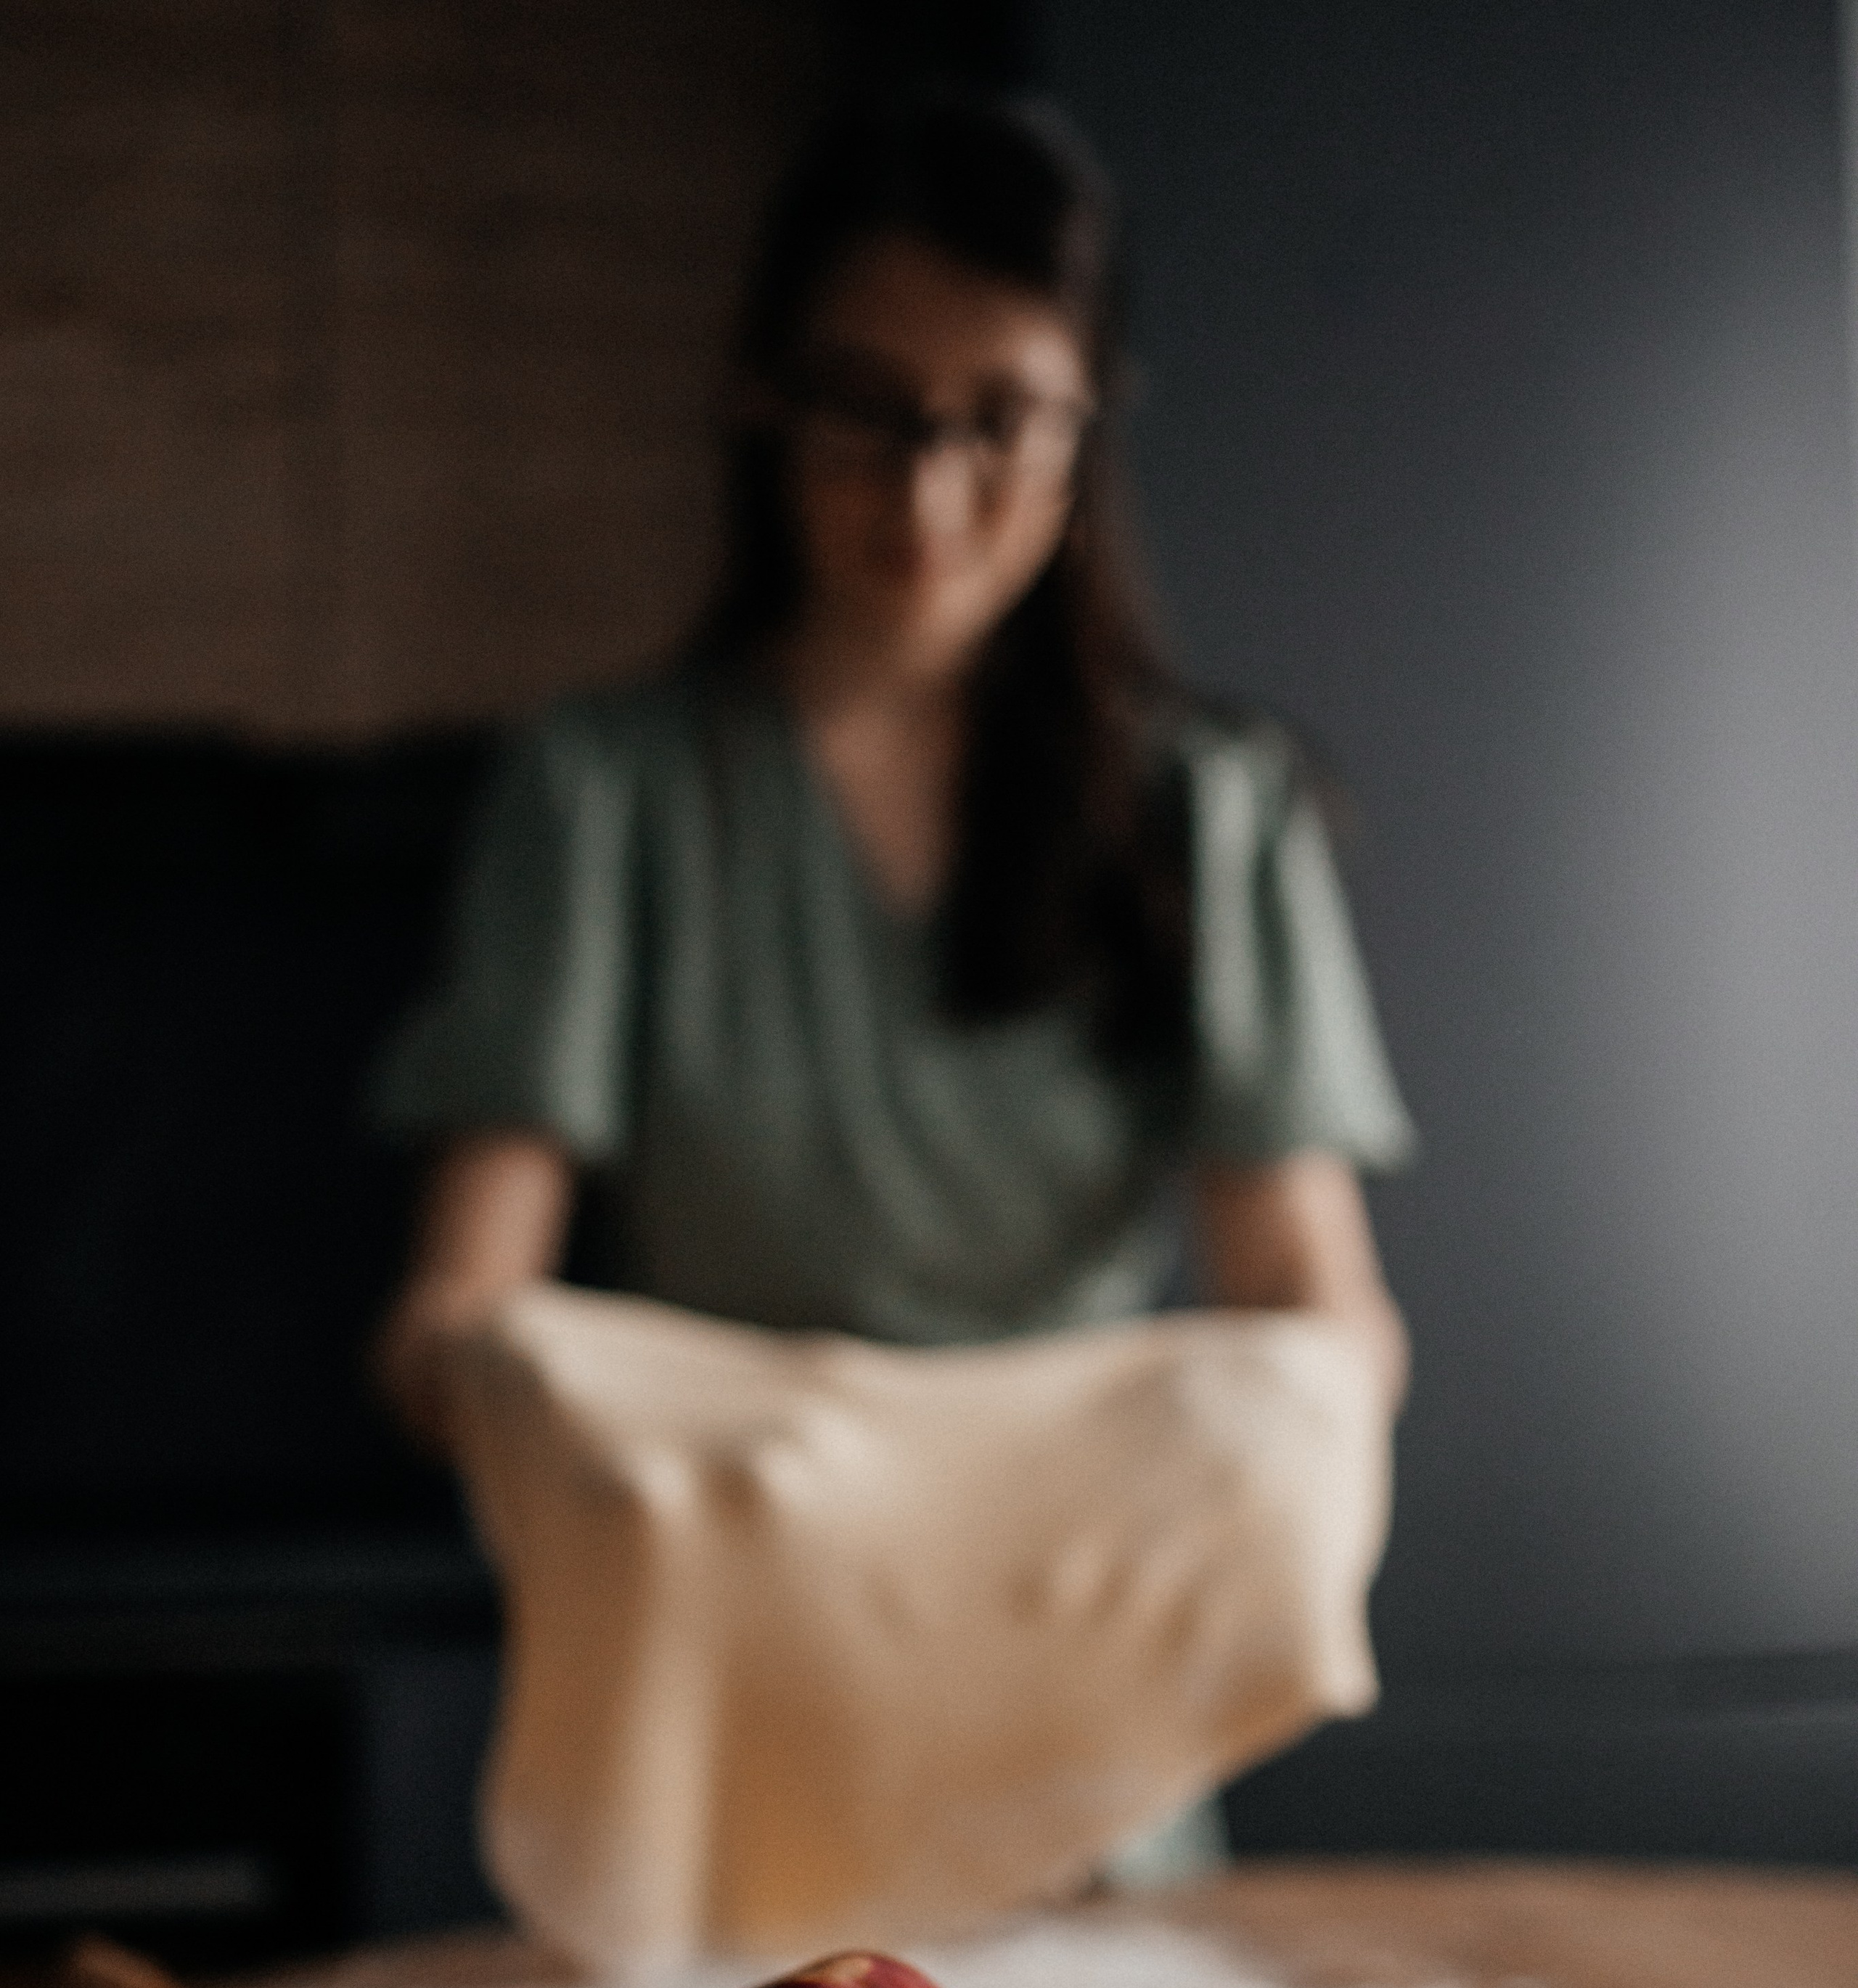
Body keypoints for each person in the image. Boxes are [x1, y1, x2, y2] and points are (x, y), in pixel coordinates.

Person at [373, 89, 1413, 1566]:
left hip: (1076, 1648)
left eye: (999, 421)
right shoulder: (604, 794)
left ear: (1087, 422)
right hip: (729, 1633)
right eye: (866, 409)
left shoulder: (1207, 806)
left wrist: (1279, 1419)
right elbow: (459, 1304)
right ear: (764, 398)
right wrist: (522, 1391)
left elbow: (1313, 1294)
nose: (927, 493)